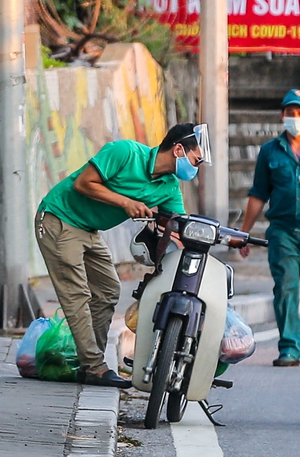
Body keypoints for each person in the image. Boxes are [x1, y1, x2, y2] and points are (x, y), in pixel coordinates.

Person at [34, 123, 210, 388]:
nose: (195, 169)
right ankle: (94, 367)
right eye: (196, 160)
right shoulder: (125, 152)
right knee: (77, 295)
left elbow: (179, 228)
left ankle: (88, 364)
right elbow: (84, 183)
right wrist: (125, 203)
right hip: (59, 218)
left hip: (88, 228)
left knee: (107, 290)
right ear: (178, 150)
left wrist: (224, 241)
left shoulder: (169, 187)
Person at [240, 89, 300, 367]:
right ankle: (289, 346)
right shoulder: (269, 151)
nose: (296, 118)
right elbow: (258, 194)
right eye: (290, 113)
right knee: (286, 287)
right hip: (282, 231)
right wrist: (244, 234)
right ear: (282, 115)